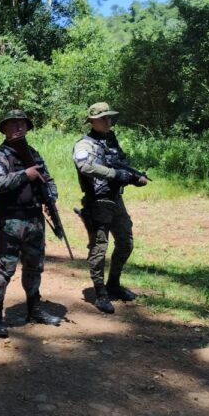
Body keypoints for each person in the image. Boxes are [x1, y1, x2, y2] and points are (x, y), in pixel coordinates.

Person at [0, 110, 63, 337]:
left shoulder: (34, 154)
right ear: (4, 129)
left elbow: (47, 179)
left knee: (34, 267)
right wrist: (23, 175)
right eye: (13, 124)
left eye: (22, 124)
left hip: (34, 220)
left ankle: (34, 309)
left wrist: (51, 196)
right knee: (4, 269)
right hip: (10, 221)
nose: (19, 127)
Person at [72, 102, 148, 314]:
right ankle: (100, 292)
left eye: (109, 117)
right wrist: (115, 175)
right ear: (93, 121)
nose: (108, 121)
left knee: (126, 242)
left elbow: (120, 163)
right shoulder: (84, 145)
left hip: (115, 200)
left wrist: (132, 177)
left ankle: (113, 284)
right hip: (97, 202)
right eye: (103, 118)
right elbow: (85, 166)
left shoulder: (111, 140)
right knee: (99, 249)